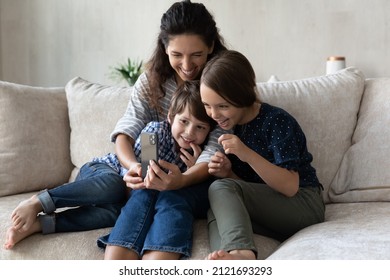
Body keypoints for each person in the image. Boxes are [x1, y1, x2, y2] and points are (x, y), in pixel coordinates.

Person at [4, 0, 227, 251]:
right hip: (109, 170)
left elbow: (214, 149)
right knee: (114, 187)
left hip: (158, 184)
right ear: (164, 48)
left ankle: (42, 225)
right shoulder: (152, 91)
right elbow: (127, 131)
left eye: (196, 55)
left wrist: (184, 177)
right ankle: (41, 201)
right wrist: (133, 168)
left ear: (210, 47)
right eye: (177, 55)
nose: (187, 65)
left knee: (115, 211)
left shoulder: (221, 90)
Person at [199, 50, 325, 260]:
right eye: (207, 106)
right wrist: (229, 173)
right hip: (276, 214)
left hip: (304, 203)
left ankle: (242, 254)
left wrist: (245, 153)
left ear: (244, 96)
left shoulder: (275, 121)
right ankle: (227, 261)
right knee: (217, 208)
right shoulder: (231, 127)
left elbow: (289, 186)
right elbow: (254, 191)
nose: (214, 114)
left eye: (222, 106)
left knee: (219, 188)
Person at [98, 81, 216, 260]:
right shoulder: (154, 132)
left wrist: (193, 172)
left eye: (200, 127)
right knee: (145, 193)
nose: (190, 132)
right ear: (171, 117)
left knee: (173, 196)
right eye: (184, 121)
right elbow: (143, 178)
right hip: (136, 185)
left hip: (185, 191)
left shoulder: (205, 149)